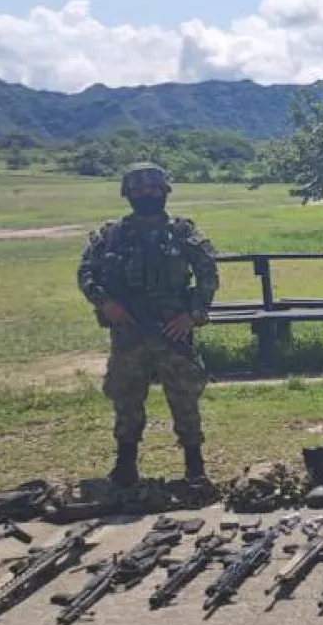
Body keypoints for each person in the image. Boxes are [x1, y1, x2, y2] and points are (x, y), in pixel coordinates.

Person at [77, 162, 220, 486]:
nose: (147, 194)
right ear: (128, 194)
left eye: (153, 188)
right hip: (128, 333)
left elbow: (208, 274)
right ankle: (125, 464)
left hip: (172, 331)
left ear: (165, 191)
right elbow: (86, 272)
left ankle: (194, 466)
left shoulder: (182, 232)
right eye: (139, 189)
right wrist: (104, 302)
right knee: (126, 400)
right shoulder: (111, 235)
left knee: (184, 400)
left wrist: (192, 314)